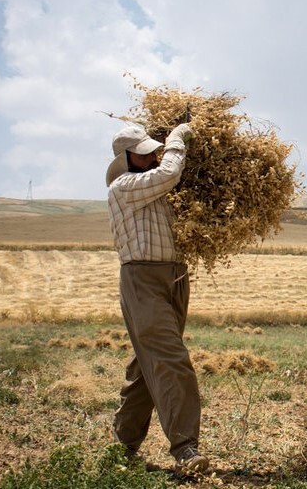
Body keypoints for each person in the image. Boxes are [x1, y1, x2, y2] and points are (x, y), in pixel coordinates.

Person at [104, 122, 210, 474]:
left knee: (146, 362)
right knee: (170, 358)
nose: (151, 155)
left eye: (154, 149)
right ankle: (185, 449)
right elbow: (169, 174)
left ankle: (124, 443)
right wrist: (177, 139)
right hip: (143, 280)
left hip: (174, 277)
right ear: (125, 158)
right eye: (144, 151)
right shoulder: (124, 187)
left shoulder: (152, 192)